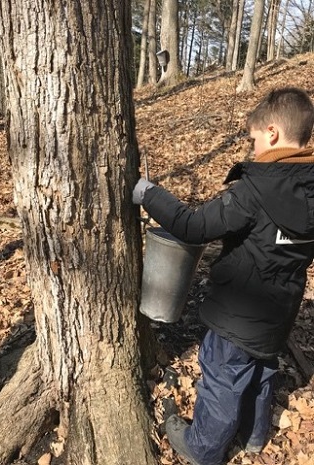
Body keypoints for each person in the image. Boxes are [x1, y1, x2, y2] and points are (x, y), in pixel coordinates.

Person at [132, 87, 314, 465]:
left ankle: (204, 449)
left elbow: (194, 227)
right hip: (279, 313)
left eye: (255, 140)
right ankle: (252, 436)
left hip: (237, 315)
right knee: (261, 373)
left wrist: (149, 193)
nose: (253, 149)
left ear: (273, 133)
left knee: (222, 380)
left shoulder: (253, 191)